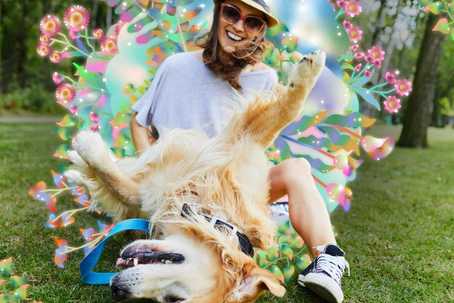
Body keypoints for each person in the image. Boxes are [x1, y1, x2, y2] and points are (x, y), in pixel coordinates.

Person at [130, 0, 349, 302]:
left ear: (260, 32)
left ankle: (328, 259)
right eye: (232, 13)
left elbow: (257, 144)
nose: (238, 26)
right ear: (219, 11)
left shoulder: (265, 78)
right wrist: (148, 171)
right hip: (181, 190)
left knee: (296, 168)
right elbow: (139, 121)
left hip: (234, 191)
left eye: (253, 22)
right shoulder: (176, 66)